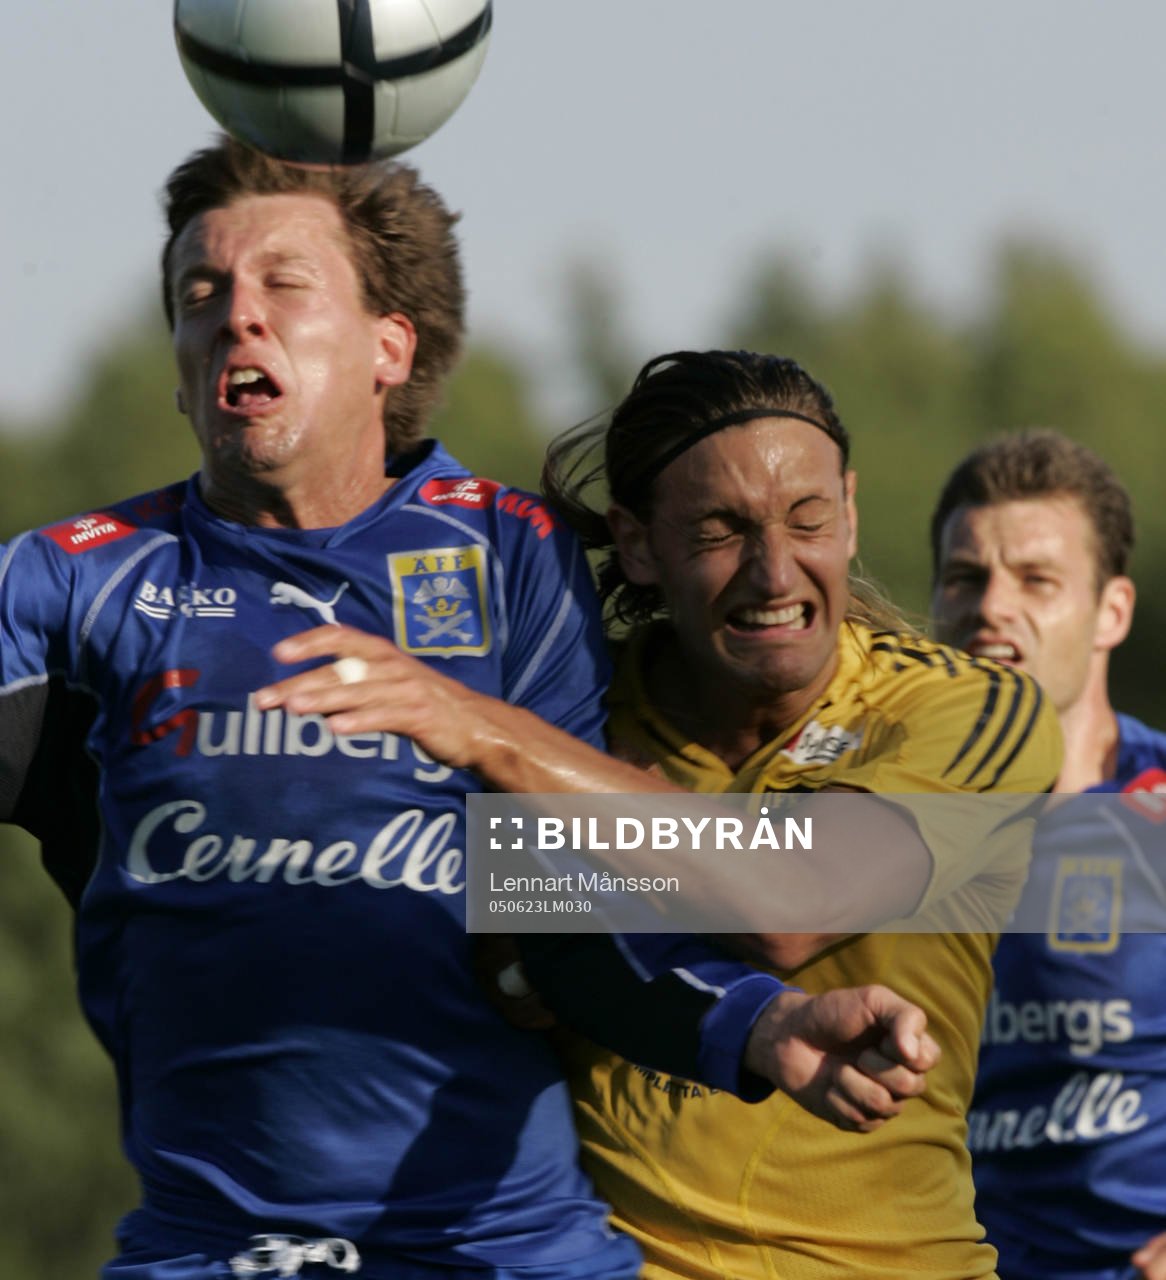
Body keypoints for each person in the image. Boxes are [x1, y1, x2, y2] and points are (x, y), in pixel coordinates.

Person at [0, 143, 937, 1280]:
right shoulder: (74, 579)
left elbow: (569, 907)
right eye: (201, 294)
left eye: (284, 283)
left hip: (500, 1251)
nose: (236, 315)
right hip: (206, 1250)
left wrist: (758, 1022)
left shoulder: (507, 554)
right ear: (181, 367)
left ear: (389, 346)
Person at [258, 349, 1064, 1279]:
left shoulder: (971, 708)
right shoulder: (578, 719)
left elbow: (791, 900)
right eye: (721, 531)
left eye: (808, 519)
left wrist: (489, 733)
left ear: (848, 510)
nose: (775, 572)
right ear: (638, 544)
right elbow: (521, 967)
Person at [930, 430, 1166, 1280]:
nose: (992, 606)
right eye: (966, 578)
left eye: (1036, 579)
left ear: (1113, 612)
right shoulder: (866, 819)